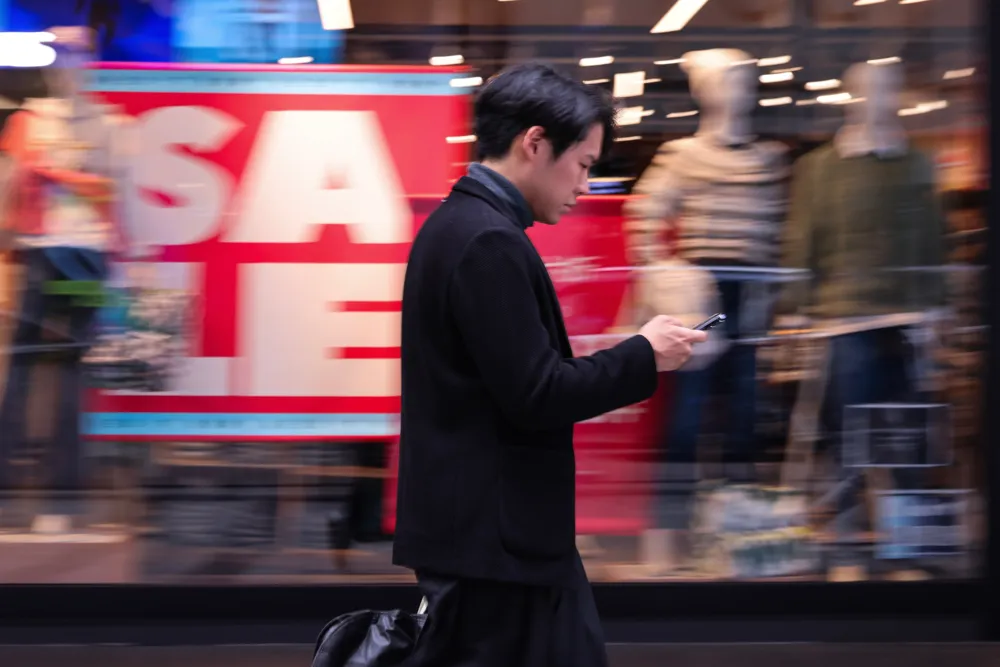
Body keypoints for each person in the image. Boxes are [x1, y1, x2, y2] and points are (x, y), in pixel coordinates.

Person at [393, 63, 707, 667]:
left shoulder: (462, 225)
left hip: (487, 536)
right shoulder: (488, 239)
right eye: (584, 165)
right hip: (495, 542)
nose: (586, 185)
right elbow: (537, 393)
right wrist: (645, 354)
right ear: (534, 144)